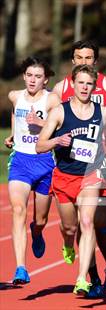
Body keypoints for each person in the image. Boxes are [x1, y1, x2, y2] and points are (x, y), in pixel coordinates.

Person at [36, 65, 106, 296]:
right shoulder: (60, 112)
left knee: (87, 223)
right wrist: (56, 141)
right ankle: (68, 243)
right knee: (70, 227)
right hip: (64, 176)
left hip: (91, 175)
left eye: (89, 83)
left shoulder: (104, 112)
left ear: (94, 86)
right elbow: (39, 145)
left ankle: (82, 278)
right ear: (73, 84)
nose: (84, 87)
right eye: (80, 83)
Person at [53, 40, 106, 295]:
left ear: (96, 61)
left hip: (99, 162)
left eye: (88, 57)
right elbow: (50, 117)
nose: (83, 61)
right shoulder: (61, 88)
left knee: (96, 222)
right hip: (68, 165)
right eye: (79, 57)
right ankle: (92, 277)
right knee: (78, 225)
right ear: (72, 61)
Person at [4, 56, 60, 285]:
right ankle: (21, 267)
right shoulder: (15, 96)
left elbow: (60, 127)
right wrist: (13, 134)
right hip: (20, 162)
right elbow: (15, 114)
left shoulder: (52, 100)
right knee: (18, 210)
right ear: (24, 76)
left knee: (41, 219)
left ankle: (36, 232)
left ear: (45, 80)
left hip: (45, 162)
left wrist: (40, 126)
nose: (32, 80)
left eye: (38, 76)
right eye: (29, 75)